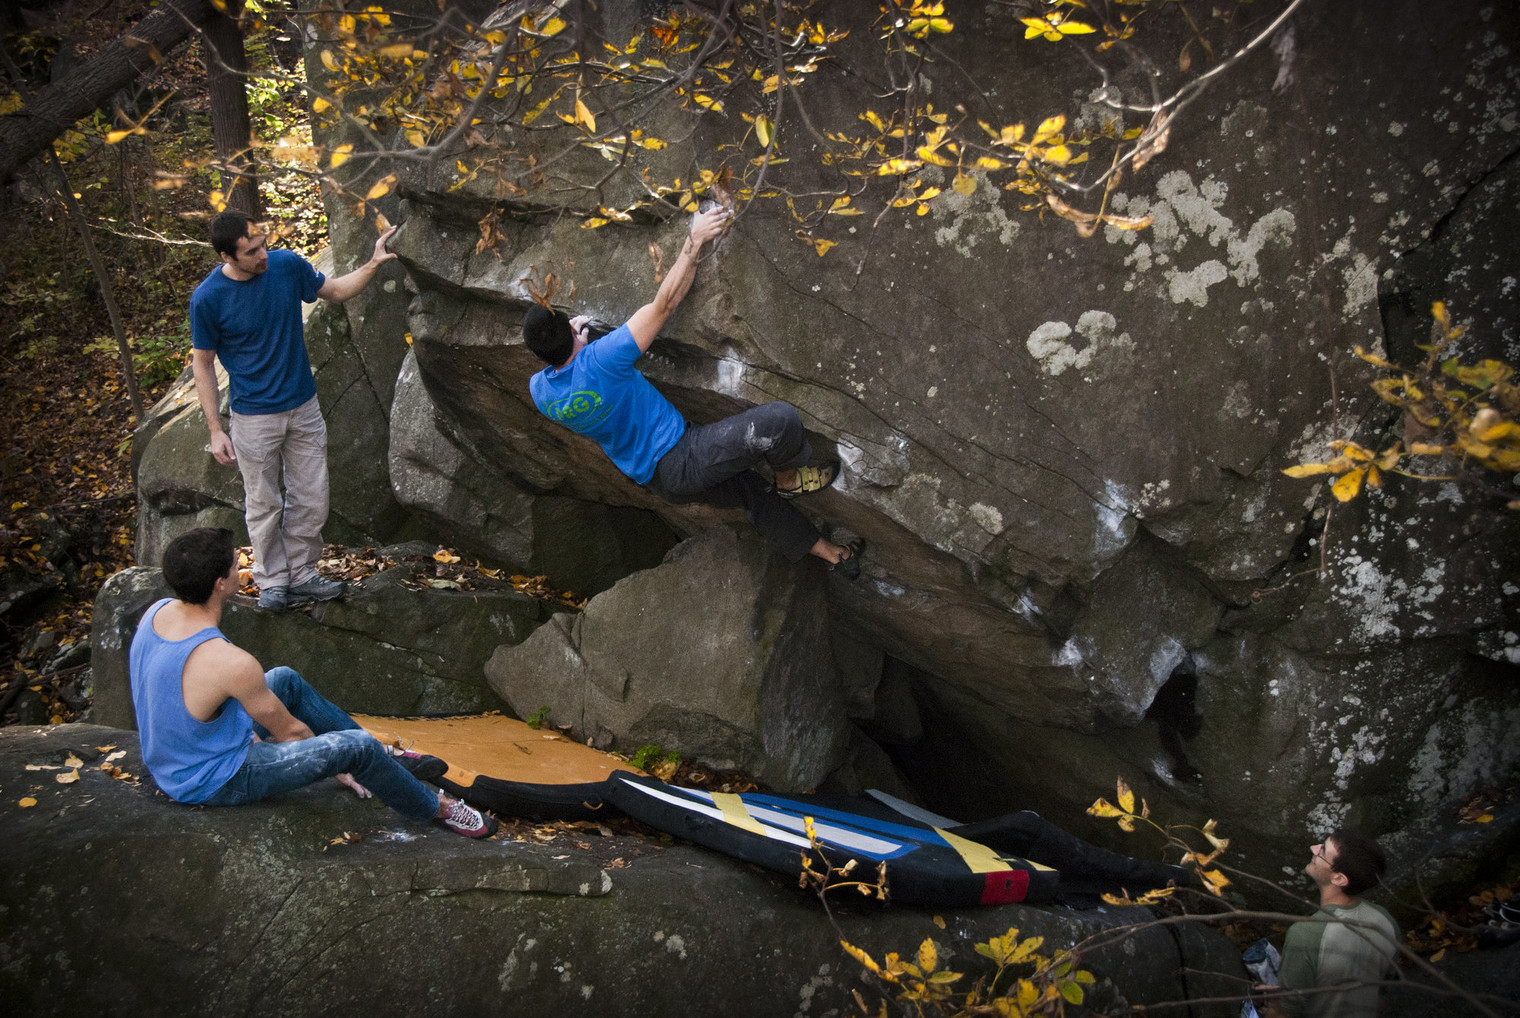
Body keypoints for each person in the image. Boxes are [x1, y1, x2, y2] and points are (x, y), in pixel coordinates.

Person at [523, 206, 862, 576]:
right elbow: (664, 305)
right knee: (780, 421)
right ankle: (788, 479)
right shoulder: (603, 358)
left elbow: (572, 372)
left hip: (659, 482)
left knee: (752, 493)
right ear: (571, 333)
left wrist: (576, 345)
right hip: (682, 457)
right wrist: (695, 239)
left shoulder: (541, 392)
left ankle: (837, 557)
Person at [130, 526, 497, 839]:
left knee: (284, 680)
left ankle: (384, 758)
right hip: (215, 779)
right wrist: (337, 763)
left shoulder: (157, 613)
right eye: (235, 564)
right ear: (220, 583)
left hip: (179, 756)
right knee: (354, 749)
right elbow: (293, 733)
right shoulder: (231, 663)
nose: (243, 568)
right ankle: (436, 807)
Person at [189, 210, 398, 611]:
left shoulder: (285, 265)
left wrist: (373, 263)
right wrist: (215, 429)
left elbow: (335, 290)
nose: (263, 255)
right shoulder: (208, 298)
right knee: (264, 504)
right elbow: (203, 363)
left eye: (263, 244)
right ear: (226, 256)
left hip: (303, 407)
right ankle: (272, 582)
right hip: (253, 417)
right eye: (252, 252)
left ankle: (301, 574)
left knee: (312, 497)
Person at [1264, 830, 1400, 1018]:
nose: (1313, 848)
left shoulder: (1305, 933)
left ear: (1339, 878)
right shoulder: (1386, 921)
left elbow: (1288, 1011)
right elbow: (1382, 992)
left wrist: (1274, 1008)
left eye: (1322, 851)